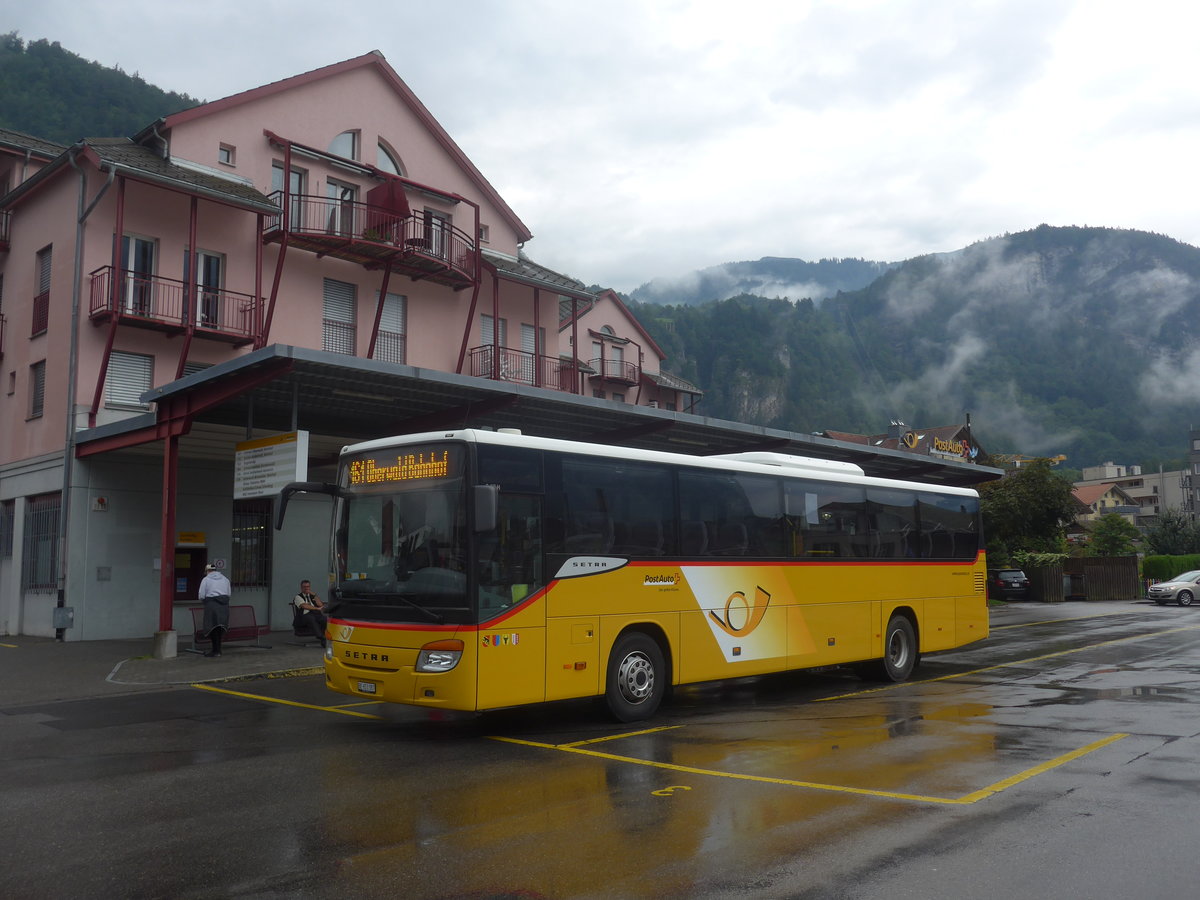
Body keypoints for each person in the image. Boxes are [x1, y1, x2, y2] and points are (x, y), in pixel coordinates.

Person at [197, 563, 232, 657]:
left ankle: (215, 651)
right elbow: (229, 594)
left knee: (212, 627)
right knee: (220, 627)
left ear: (207, 571)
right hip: (224, 605)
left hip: (211, 605)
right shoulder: (225, 579)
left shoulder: (206, 580)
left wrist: (206, 601)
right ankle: (218, 649)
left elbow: (201, 595)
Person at [293, 579, 327, 647]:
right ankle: (321, 637)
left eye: (308, 586)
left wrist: (314, 595)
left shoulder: (312, 596)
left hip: (315, 614)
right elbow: (304, 606)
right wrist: (316, 608)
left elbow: (320, 604)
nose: (306, 588)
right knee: (310, 618)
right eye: (304, 587)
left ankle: (326, 635)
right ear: (301, 588)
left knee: (324, 619)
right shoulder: (298, 597)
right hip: (303, 617)